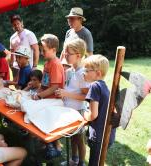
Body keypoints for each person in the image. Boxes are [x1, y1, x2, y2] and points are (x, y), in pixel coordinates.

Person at [55, 38, 89, 166]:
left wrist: (67, 94)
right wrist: (63, 93)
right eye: (65, 52)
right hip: (70, 109)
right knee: (72, 137)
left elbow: (87, 96)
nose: (65, 55)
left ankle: (81, 163)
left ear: (78, 55)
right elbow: (71, 88)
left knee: (79, 139)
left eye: (68, 53)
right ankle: (73, 160)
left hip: (78, 111)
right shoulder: (71, 71)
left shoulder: (82, 74)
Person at [82, 54, 116, 166]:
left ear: (98, 73)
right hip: (106, 135)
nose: (84, 72)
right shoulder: (104, 86)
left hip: (98, 136)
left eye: (87, 70)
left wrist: (84, 115)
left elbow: (93, 115)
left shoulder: (94, 86)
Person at [32, 34, 65, 100]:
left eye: (44, 50)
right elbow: (44, 84)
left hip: (53, 100)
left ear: (53, 50)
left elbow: (54, 87)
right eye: (40, 50)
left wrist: (39, 96)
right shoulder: (47, 63)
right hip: (45, 98)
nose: (41, 53)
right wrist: (37, 92)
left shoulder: (55, 64)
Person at [10, 14, 39, 81]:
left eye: (18, 23)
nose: (17, 26)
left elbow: (36, 50)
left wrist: (34, 66)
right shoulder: (12, 38)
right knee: (17, 86)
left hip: (28, 67)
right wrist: (11, 65)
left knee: (26, 86)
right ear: (12, 26)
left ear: (22, 23)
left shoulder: (29, 34)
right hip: (16, 67)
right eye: (14, 24)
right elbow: (12, 52)